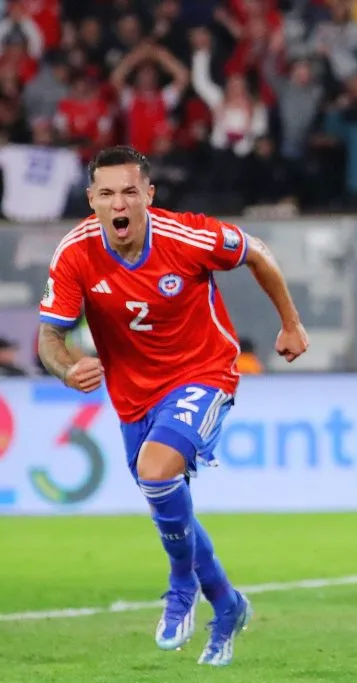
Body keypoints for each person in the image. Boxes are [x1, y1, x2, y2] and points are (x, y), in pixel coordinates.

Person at [36, 146, 309, 667]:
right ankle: (227, 604)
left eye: (130, 191)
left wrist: (291, 323)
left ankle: (181, 586)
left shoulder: (187, 235)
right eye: (108, 193)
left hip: (203, 373)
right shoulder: (74, 253)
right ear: (92, 199)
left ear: (148, 196)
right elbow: (51, 336)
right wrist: (68, 367)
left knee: (156, 472)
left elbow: (258, 253)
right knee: (168, 503)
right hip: (132, 396)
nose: (120, 203)